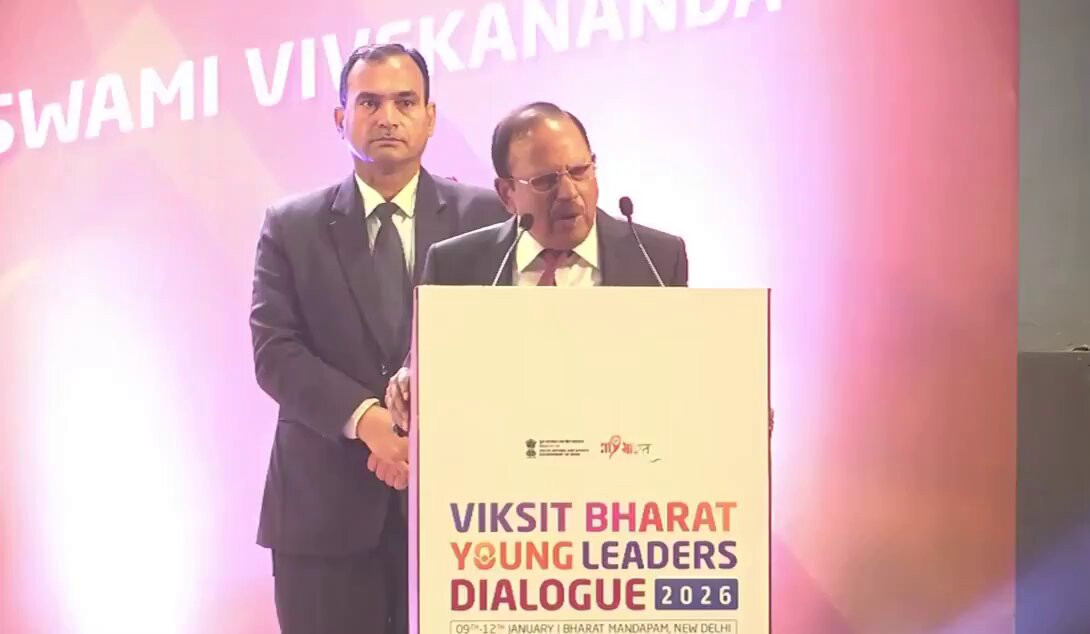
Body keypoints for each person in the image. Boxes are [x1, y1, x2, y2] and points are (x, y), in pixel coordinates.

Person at [248, 43, 508, 634]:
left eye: (404, 102)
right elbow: (275, 352)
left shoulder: (489, 217)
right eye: (369, 102)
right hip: (322, 515)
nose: (387, 117)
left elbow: (506, 345)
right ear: (341, 118)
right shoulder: (291, 225)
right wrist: (368, 421)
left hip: (461, 515)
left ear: (430, 118)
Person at [375, 101, 688, 433]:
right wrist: (408, 383)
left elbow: (679, 375)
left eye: (579, 172)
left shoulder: (655, 259)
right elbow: (427, 369)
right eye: (545, 181)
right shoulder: (455, 265)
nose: (568, 193)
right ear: (507, 193)